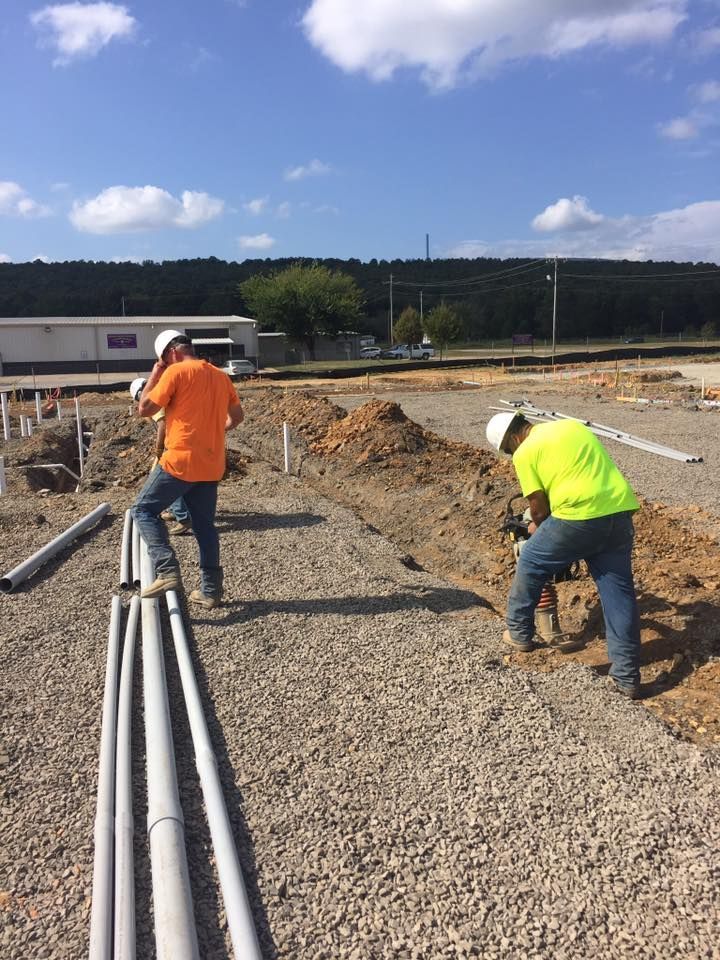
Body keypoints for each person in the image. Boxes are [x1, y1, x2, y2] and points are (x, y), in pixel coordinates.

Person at [485, 411, 642, 699]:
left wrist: (537, 527)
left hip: (579, 517)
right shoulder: (573, 427)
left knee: (531, 559)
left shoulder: (525, 451)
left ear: (513, 439)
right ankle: (626, 678)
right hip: (619, 514)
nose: (512, 455)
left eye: (509, 451)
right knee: (618, 594)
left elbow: (540, 509)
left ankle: (519, 634)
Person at [131, 330, 244, 608]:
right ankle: (210, 591)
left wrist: (156, 372)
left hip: (179, 461)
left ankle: (167, 570)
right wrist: (215, 432)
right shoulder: (220, 375)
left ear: (170, 354)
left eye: (163, 361)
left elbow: (144, 408)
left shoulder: (175, 372)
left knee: (143, 510)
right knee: (205, 527)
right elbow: (237, 417)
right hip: (211, 464)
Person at [129, 378, 192, 535]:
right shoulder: (162, 395)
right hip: (181, 442)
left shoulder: (153, 401)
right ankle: (174, 510)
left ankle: (183, 518)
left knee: (168, 481)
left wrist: (159, 448)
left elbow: (162, 424)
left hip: (173, 445)